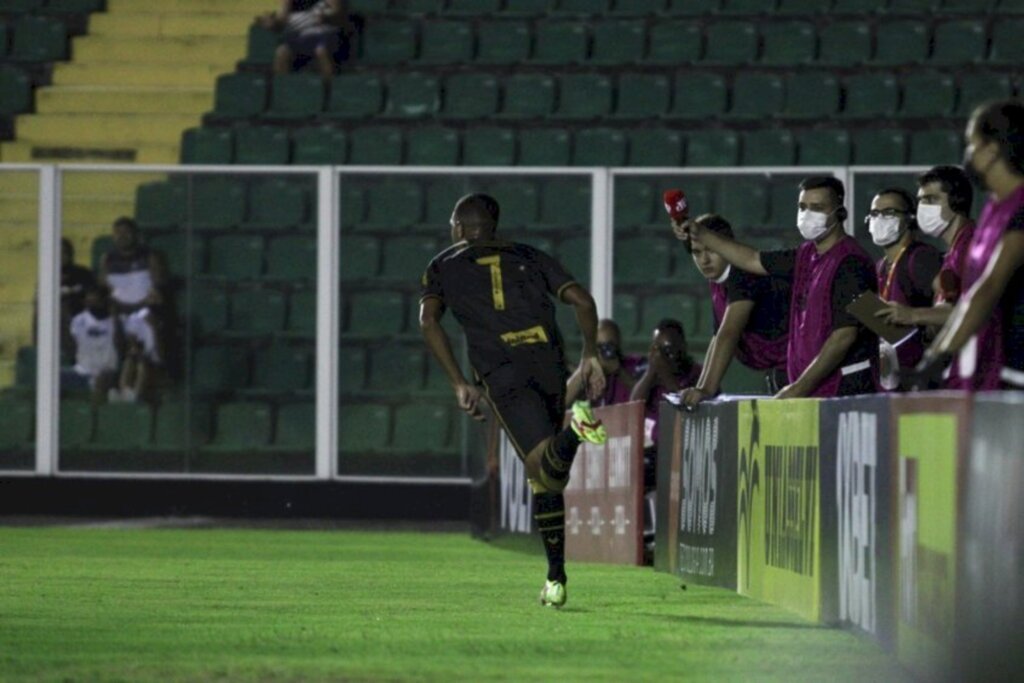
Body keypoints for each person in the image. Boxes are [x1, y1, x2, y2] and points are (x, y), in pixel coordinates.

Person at [419, 193, 608, 609]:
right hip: (549, 363)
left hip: (503, 369)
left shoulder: (443, 265)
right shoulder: (532, 255)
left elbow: (428, 320)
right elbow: (583, 302)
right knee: (545, 478)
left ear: (465, 229)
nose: (451, 229)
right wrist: (590, 353)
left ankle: (576, 431)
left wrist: (457, 384)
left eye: (454, 222)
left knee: (541, 465)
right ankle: (555, 577)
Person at [680, 176, 878, 398]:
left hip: (845, 392)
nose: (807, 215)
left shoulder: (850, 262)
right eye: (803, 207)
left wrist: (798, 388)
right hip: (812, 393)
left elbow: (844, 336)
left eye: (817, 208)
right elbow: (752, 259)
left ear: (840, 212)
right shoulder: (805, 255)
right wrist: (700, 233)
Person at [917, 100, 1024, 390]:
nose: (969, 154)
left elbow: (988, 287)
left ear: (991, 151)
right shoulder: (993, 207)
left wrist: (938, 357)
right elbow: (970, 298)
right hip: (993, 360)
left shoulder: (1020, 208)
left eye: (972, 144)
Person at [670, 213, 790, 406]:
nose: (704, 260)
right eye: (697, 252)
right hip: (780, 370)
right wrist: (699, 388)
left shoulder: (742, 274)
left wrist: (707, 390)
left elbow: (729, 333)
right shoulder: (717, 280)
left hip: (800, 366)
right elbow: (717, 337)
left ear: (726, 246)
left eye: (711, 250)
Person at [876, 166, 976, 332]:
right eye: (920, 200)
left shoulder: (971, 247)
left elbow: (977, 310)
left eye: (931, 199)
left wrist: (912, 314)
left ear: (957, 201)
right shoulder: (955, 250)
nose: (922, 207)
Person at [865, 188, 942, 391]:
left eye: (889, 212)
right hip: (892, 382)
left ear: (909, 219)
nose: (880, 218)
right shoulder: (880, 266)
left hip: (923, 383)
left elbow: (953, 306)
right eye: (874, 213)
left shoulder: (921, 258)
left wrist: (916, 317)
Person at [257, 0, 354, 81]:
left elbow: (339, 13)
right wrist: (272, 24)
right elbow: (280, 24)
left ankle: (330, 88)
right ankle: (281, 90)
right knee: (281, 51)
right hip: (302, 35)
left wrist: (326, 17)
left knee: (321, 50)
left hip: (326, 32)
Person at [62, 285, 121, 404]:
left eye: (96, 300)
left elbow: (120, 345)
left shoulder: (116, 321)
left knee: (101, 380)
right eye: (89, 300)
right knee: (51, 378)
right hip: (82, 371)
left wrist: (115, 316)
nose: (92, 303)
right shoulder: (79, 320)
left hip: (108, 372)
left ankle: (95, 417)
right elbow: (72, 348)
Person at [565, 318, 642, 406]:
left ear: (618, 344)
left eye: (608, 346)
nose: (601, 352)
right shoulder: (587, 373)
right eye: (597, 347)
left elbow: (647, 397)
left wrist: (619, 371)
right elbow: (558, 405)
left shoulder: (634, 365)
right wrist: (584, 370)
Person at [58, 238, 96, 360]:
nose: (61, 256)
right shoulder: (48, 275)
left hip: (81, 313)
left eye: (64, 252)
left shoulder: (82, 273)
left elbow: (93, 295)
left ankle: (73, 356)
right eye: (57, 252)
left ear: (71, 254)